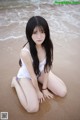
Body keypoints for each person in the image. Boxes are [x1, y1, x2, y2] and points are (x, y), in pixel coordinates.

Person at [11, 16, 67, 113]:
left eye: (42, 32)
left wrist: (44, 88)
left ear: (46, 32)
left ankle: (48, 77)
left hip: (41, 72)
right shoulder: (25, 52)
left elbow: (47, 66)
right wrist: (38, 91)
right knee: (32, 109)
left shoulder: (47, 45)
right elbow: (32, 75)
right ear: (29, 34)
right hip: (27, 76)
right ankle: (15, 82)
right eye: (35, 32)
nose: (39, 36)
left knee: (63, 92)